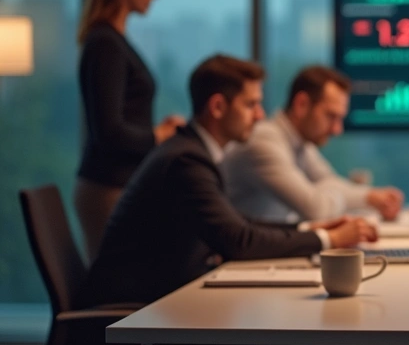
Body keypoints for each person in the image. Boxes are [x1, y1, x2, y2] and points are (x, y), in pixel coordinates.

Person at [80, 55, 376, 308]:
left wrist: (309, 229)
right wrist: (329, 240)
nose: (260, 116)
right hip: (135, 313)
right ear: (218, 107)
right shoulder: (186, 161)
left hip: (162, 301)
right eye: (251, 105)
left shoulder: (192, 151)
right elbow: (237, 240)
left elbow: (238, 224)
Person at [74, 0, 186, 261]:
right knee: (116, 282)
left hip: (119, 184)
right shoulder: (105, 43)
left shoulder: (112, 40)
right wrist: (158, 136)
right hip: (108, 188)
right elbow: (108, 132)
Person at [222, 66, 404, 224]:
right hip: (245, 251)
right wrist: (352, 196)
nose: (337, 129)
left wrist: (371, 197)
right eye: (331, 116)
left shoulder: (300, 142)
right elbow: (316, 209)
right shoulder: (263, 141)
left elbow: (328, 180)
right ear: (302, 104)